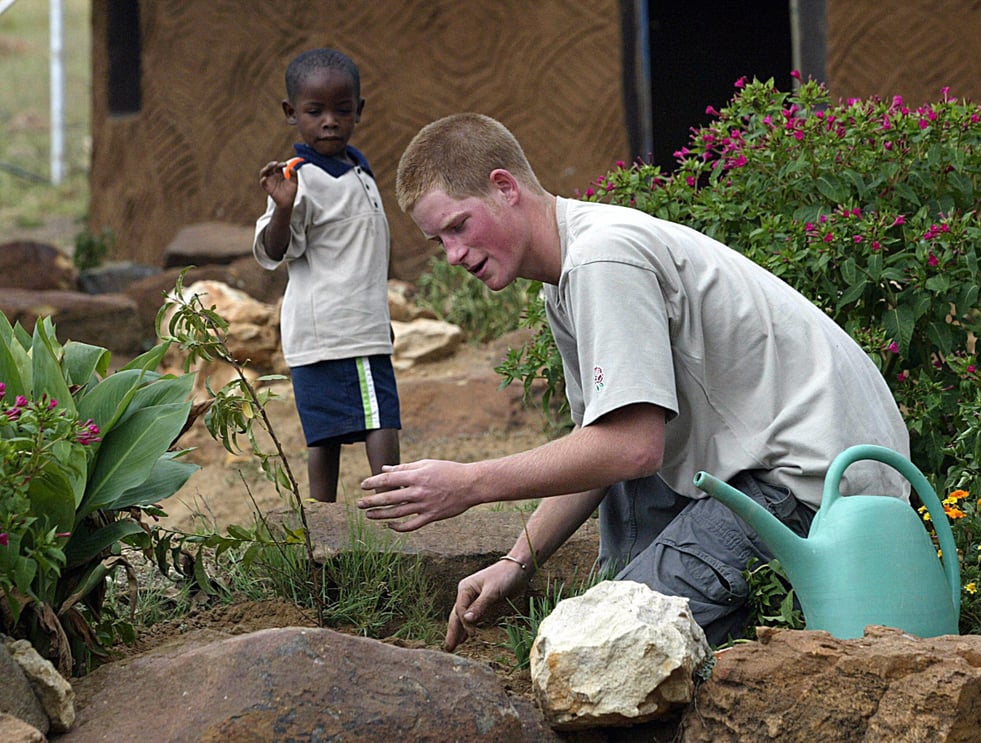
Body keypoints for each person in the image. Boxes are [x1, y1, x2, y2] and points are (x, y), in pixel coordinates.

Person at [358, 113, 910, 648]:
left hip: (816, 489)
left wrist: (471, 484)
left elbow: (631, 449)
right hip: (778, 473)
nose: (453, 255)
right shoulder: (570, 273)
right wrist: (516, 561)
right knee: (609, 598)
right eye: (439, 242)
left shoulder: (603, 256)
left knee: (605, 648)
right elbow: (598, 448)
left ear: (505, 187)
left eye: (458, 226)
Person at [254, 48, 400, 502]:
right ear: (290, 112)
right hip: (344, 328)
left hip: (339, 326)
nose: (330, 121)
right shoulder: (298, 178)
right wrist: (282, 209)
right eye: (315, 112)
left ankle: (324, 520)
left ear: (359, 110)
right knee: (379, 419)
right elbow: (275, 251)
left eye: (341, 110)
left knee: (327, 434)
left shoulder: (358, 169)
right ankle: (397, 508)